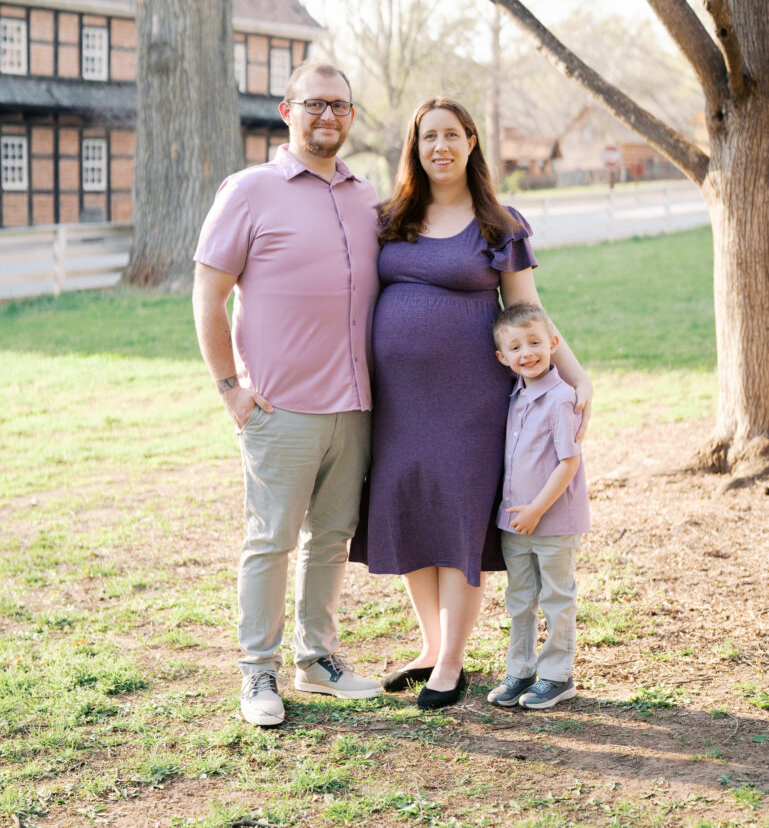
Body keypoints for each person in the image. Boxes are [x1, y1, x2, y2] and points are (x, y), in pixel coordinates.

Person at [349, 96, 591, 710]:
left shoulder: (498, 226)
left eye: (452, 135)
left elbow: (527, 310)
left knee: (457, 514)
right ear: (416, 147)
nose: (441, 147)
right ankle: (429, 647)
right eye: (429, 137)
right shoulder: (389, 218)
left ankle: (452, 663)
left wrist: (576, 375)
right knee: (411, 508)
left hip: (472, 401)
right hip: (400, 402)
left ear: (472, 142)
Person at [192, 61, 383, 728]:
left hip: (355, 407)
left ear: (351, 116)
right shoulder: (248, 191)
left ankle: (317, 659)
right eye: (314, 104)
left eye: (340, 105)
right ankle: (257, 673)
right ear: (286, 109)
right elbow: (207, 295)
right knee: (271, 540)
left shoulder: (368, 197)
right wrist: (229, 389)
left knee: (330, 539)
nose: (328, 115)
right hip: (279, 410)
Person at [486, 302, 590, 711]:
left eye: (534, 342)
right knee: (520, 598)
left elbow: (569, 463)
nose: (526, 352)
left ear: (553, 343)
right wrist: (518, 513)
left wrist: (535, 510)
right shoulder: (515, 396)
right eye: (516, 347)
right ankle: (521, 670)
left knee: (556, 598)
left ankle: (557, 676)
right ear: (502, 357)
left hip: (552, 522)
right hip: (515, 523)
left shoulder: (561, 399)